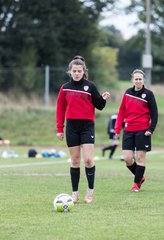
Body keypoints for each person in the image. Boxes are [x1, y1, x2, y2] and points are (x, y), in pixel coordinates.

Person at [55, 55, 111, 204]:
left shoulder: (90, 86)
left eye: (80, 71)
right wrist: (60, 128)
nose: (77, 73)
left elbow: (99, 105)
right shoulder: (65, 88)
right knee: (74, 161)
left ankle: (90, 192)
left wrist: (103, 99)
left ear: (83, 71)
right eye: (74, 71)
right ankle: (75, 194)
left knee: (88, 160)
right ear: (70, 72)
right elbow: (60, 108)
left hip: (87, 126)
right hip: (72, 127)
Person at [114, 69, 158, 192]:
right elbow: (122, 111)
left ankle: (136, 184)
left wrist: (151, 129)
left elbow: (154, 113)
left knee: (140, 158)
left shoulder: (149, 94)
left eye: (140, 79)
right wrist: (117, 128)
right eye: (136, 79)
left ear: (143, 80)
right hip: (128, 130)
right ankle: (140, 177)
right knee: (128, 158)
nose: (138, 81)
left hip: (143, 130)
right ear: (132, 80)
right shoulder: (127, 93)